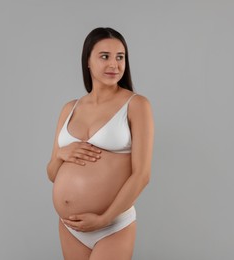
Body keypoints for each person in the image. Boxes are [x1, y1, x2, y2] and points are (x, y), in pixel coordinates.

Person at [46, 27, 154, 260]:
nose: (114, 64)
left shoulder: (136, 105)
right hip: (70, 226)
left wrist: (104, 219)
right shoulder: (70, 108)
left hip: (113, 225)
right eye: (104, 56)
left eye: (120, 57)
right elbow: (52, 173)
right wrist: (61, 155)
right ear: (87, 61)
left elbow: (142, 175)